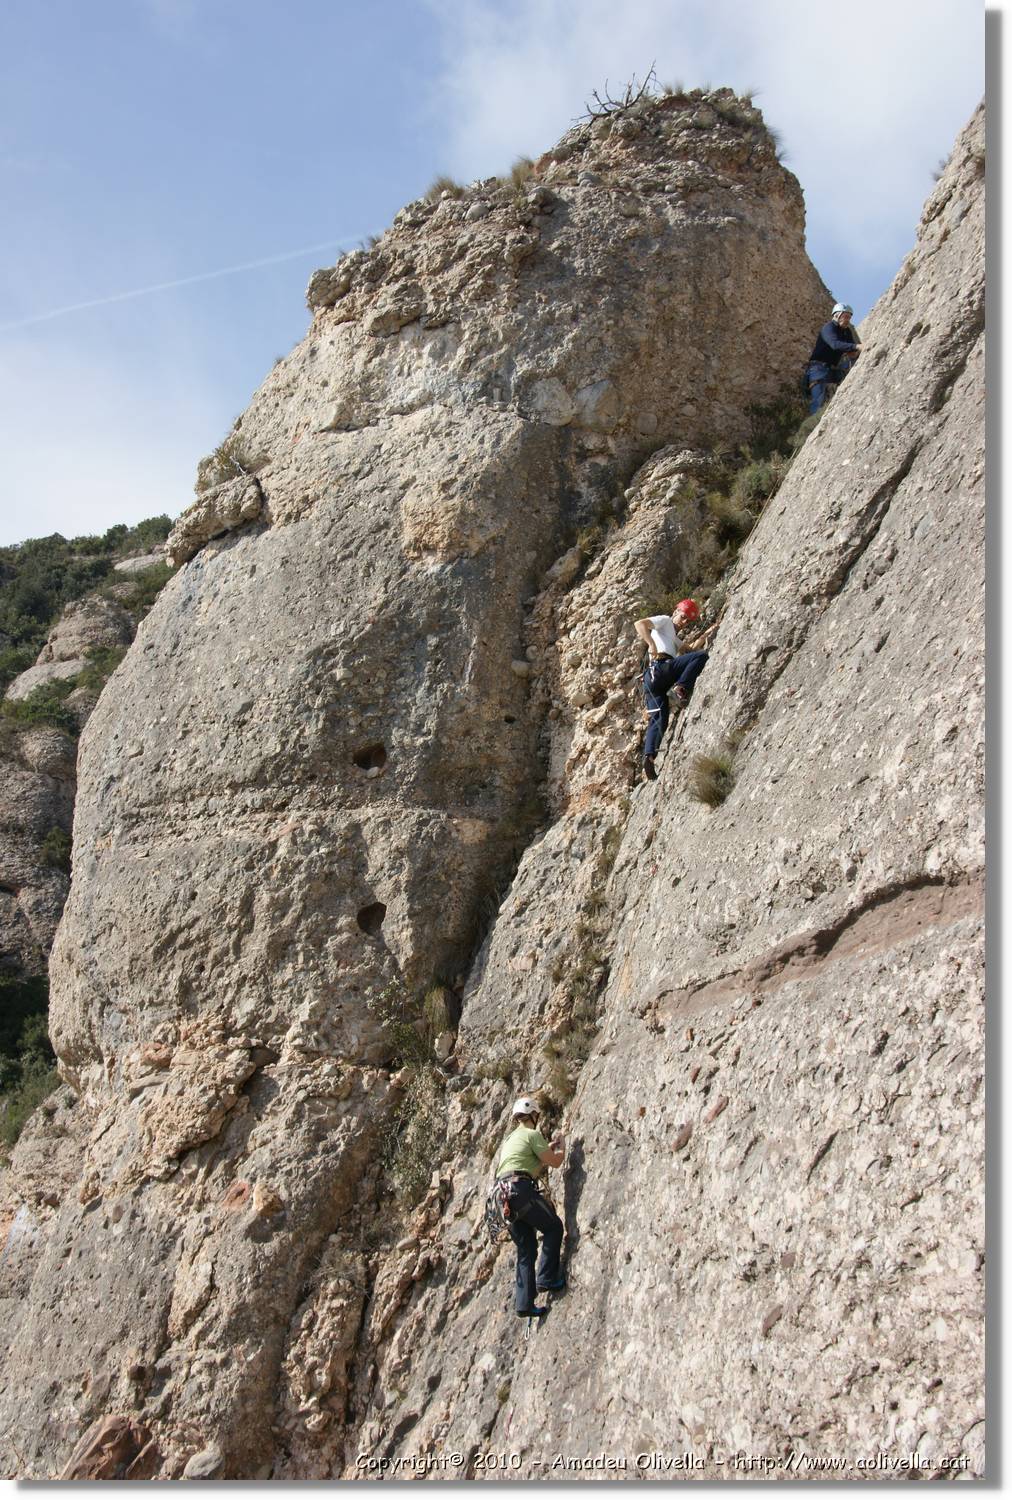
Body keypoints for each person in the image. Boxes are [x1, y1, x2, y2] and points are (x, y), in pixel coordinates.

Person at [495, 1096, 566, 1319]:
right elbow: (555, 1162)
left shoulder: (510, 1140)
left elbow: (526, 1164)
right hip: (519, 1190)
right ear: (533, 1115)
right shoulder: (532, 1134)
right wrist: (561, 1148)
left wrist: (545, 1152)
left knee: (526, 1249)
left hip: (502, 1197)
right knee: (553, 1227)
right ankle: (546, 1279)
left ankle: (524, 1304)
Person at [634, 599, 717, 781]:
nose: (684, 622)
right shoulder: (664, 621)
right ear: (675, 611)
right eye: (683, 616)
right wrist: (651, 644)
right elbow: (639, 624)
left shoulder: (672, 637)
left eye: (688, 620)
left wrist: (709, 632)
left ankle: (649, 757)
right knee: (701, 657)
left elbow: (690, 648)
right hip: (660, 667)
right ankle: (680, 688)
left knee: (659, 719)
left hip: (652, 681)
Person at [806, 302, 861, 414]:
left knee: (852, 370)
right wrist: (857, 346)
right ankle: (816, 421)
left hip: (833, 368)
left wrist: (856, 353)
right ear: (837, 315)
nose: (848, 320)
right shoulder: (828, 328)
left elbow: (851, 350)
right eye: (845, 316)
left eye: (849, 317)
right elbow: (835, 344)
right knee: (818, 401)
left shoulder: (846, 331)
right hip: (817, 369)